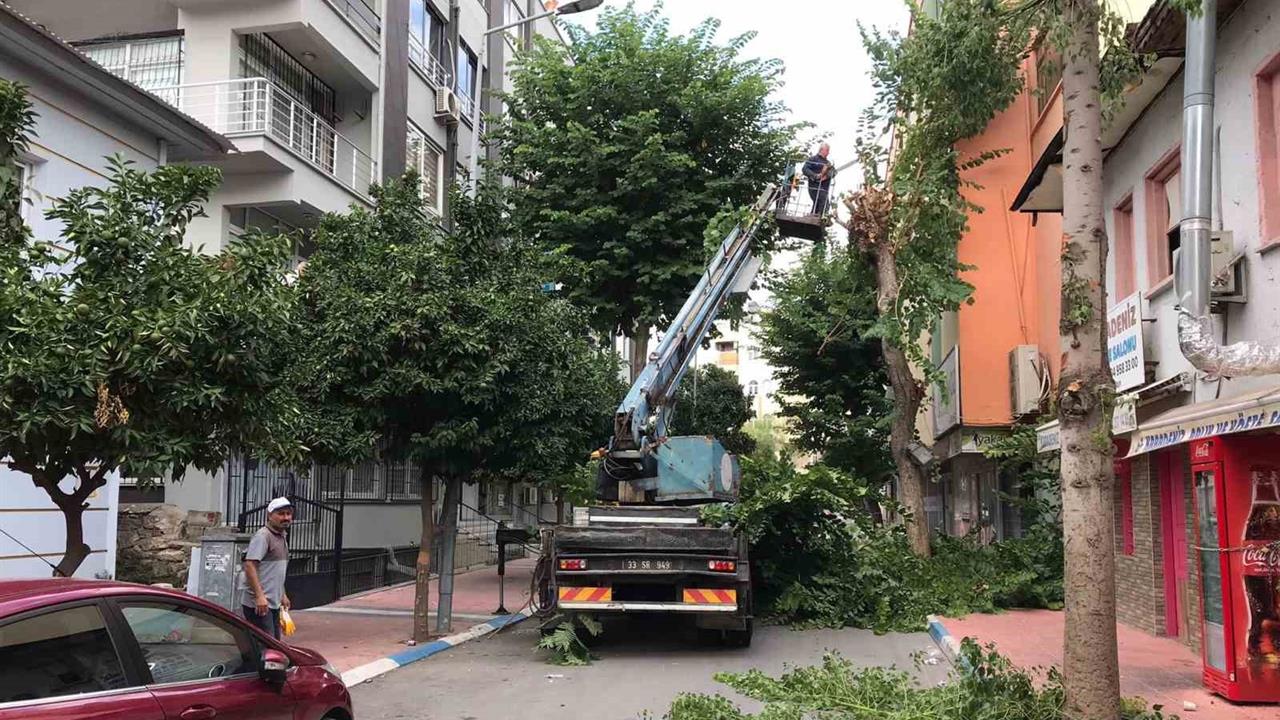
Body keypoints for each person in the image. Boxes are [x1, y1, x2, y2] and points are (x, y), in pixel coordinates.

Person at [239, 496, 292, 639]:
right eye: (281, 514)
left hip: (272, 603)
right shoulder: (263, 536)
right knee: (266, 647)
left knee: (274, 643)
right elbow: (250, 565)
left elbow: (276, 572)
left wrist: (283, 594)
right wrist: (259, 596)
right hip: (260, 605)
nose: (286, 517)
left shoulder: (281, 537)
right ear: (269, 515)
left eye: (288, 514)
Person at [802, 142, 836, 215]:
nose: (828, 152)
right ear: (822, 150)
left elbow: (834, 172)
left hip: (824, 187)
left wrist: (826, 176)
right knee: (823, 201)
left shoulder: (828, 163)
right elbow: (805, 169)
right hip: (814, 186)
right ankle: (822, 218)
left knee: (818, 203)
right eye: (827, 150)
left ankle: (813, 216)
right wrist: (815, 176)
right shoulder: (813, 159)